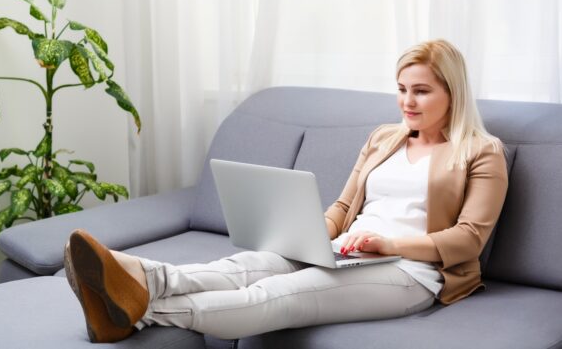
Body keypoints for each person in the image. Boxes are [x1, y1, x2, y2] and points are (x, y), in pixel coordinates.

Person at [63, 39, 508, 343]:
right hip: (344, 248)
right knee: (248, 265)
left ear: (453, 93)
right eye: (402, 90)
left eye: (422, 92)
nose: (407, 102)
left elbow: (469, 239)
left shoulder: (481, 152)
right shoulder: (383, 137)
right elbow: (342, 206)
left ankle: (135, 312)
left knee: (278, 296)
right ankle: (137, 274)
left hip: (413, 272)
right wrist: (309, 233)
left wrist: (388, 243)